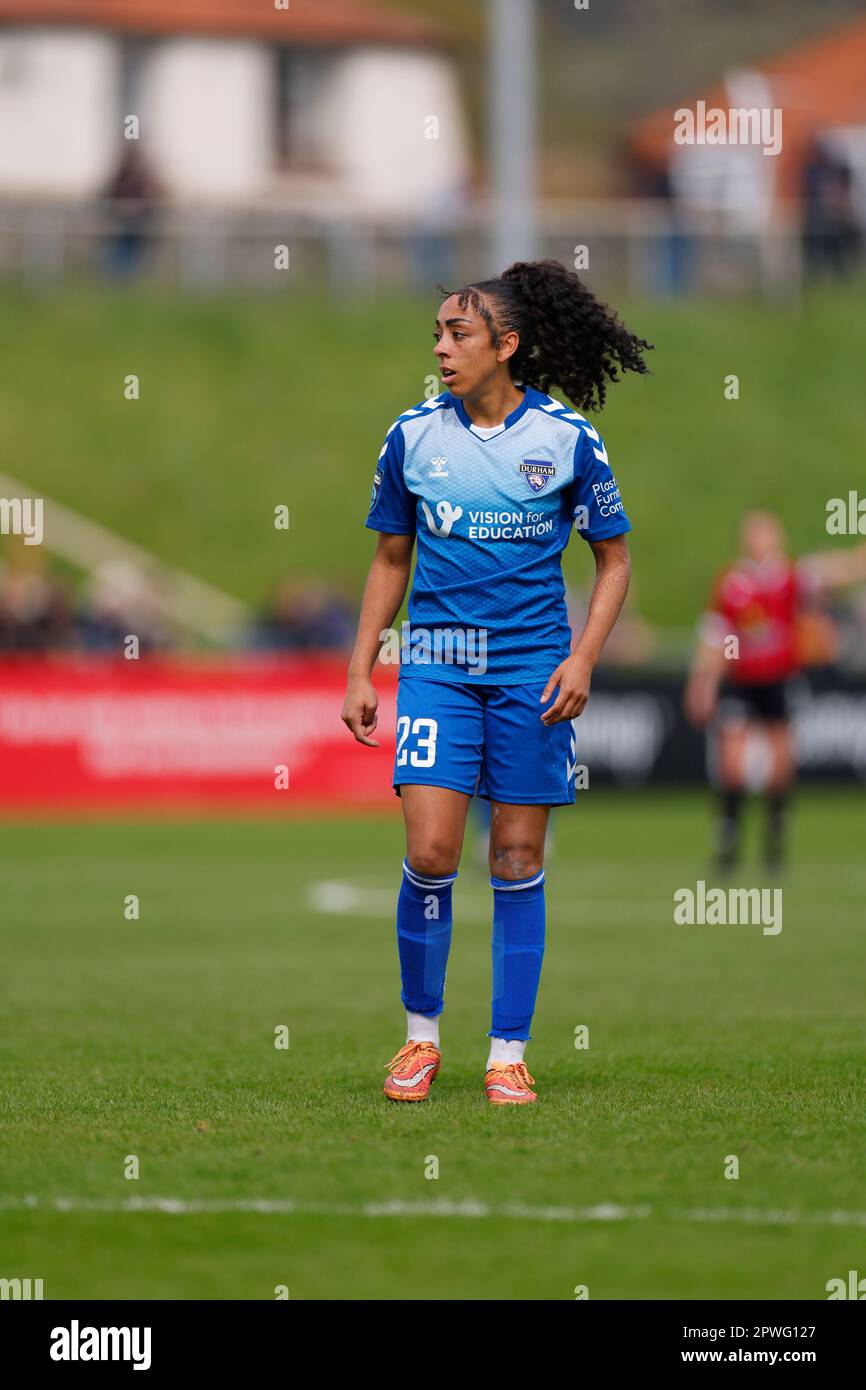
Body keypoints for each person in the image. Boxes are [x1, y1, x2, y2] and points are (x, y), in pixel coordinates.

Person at [341, 259, 651, 1104]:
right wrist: (361, 668)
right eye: (438, 333)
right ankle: (419, 1039)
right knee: (431, 851)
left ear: (506, 344)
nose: (442, 348)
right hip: (438, 669)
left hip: (530, 673)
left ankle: (507, 1051)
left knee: (515, 857)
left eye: (459, 333)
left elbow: (614, 559)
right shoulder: (412, 435)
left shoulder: (566, 438)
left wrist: (582, 655)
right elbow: (390, 557)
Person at [684, 511, 866, 872]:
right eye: (753, 533)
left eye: (765, 533)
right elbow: (715, 637)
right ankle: (728, 842)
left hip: (779, 680)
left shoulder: (791, 576)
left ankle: (774, 842)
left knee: (781, 765)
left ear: (777, 538)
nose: (758, 540)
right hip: (740, 682)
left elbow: (840, 570)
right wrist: (702, 682)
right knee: (732, 766)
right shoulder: (732, 583)